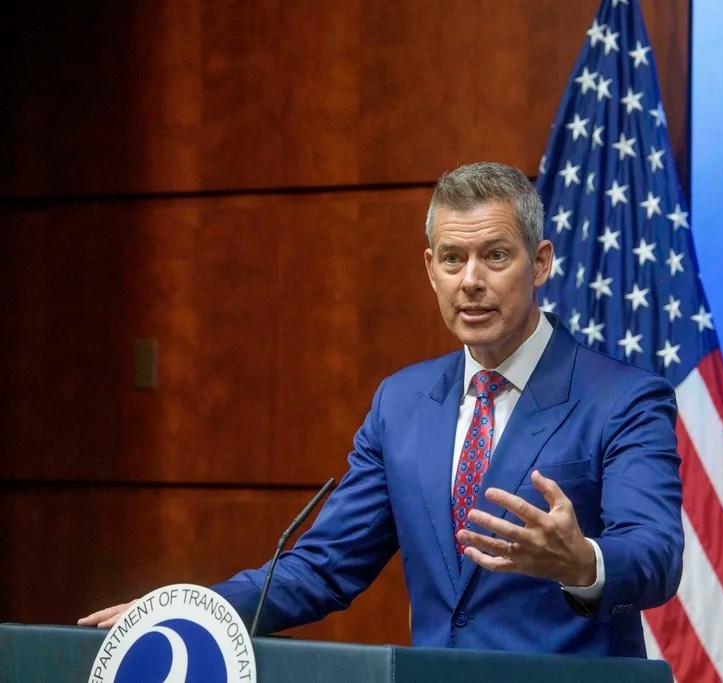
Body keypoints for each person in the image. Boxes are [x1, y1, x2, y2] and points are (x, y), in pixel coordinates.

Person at [80, 162, 684, 657]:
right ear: (430, 270)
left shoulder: (624, 398)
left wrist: (582, 563)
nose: (471, 280)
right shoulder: (402, 403)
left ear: (542, 262)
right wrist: (190, 610)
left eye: (496, 256)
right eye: (452, 259)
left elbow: (657, 554)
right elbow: (323, 567)